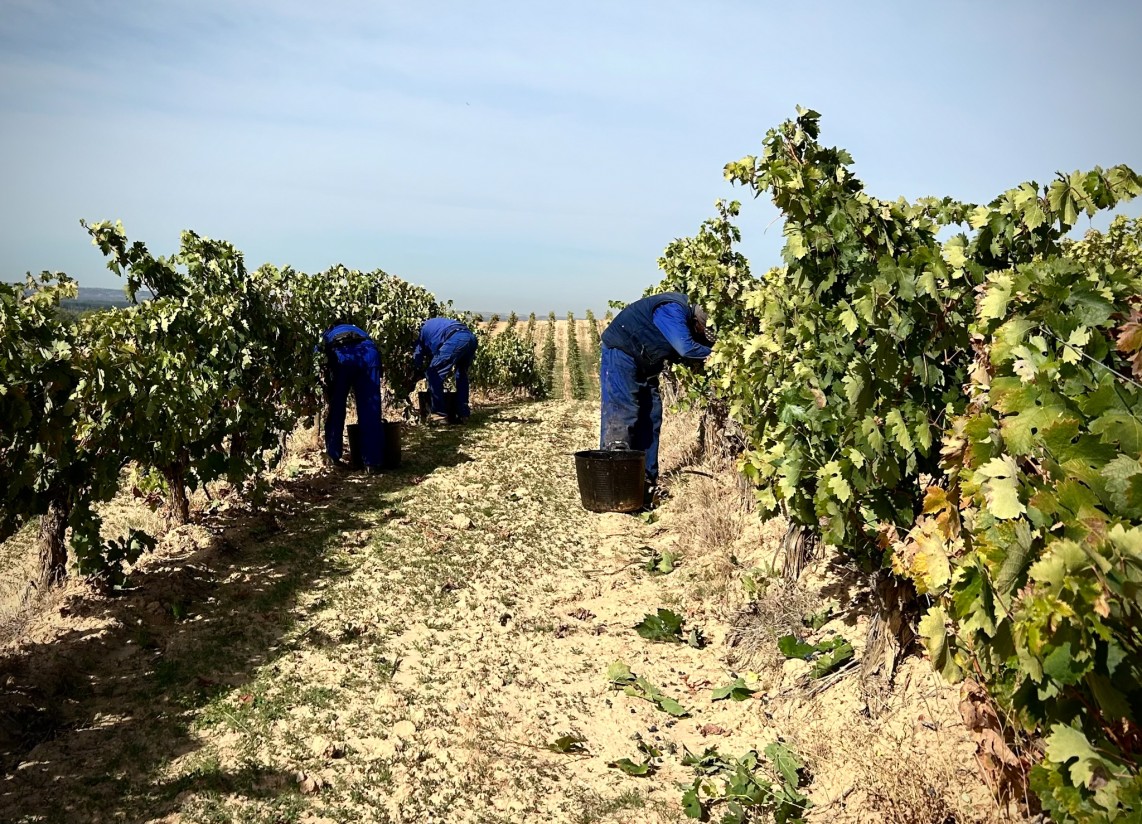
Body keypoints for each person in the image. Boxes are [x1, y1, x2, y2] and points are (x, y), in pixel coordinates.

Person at [599, 293, 715, 503]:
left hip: (647, 363)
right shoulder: (672, 309)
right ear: (697, 321)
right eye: (702, 332)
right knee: (623, 415)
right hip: (622, 353)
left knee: (651, 418)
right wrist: (714, 355)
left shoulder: (685, 318)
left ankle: (645, 486)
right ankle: (615, 489)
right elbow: (685, 347)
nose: (701, 337)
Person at [320, 321, 384, 473]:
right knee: (370, 408)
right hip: (369, 355)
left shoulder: (326, 334)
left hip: (342, 357)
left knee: (337, 407)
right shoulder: (358, 329)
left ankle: (333, 457)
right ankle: (372, 463)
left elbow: (318, 360)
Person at [413, 317, 479, 424]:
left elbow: (418, 357)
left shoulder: (421, 331)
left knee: (433, 373)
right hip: (471, 338)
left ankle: (439, 414)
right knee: (461, 373)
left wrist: (417, 371)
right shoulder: (435, 324)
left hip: (456, 339)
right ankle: (463, 413)